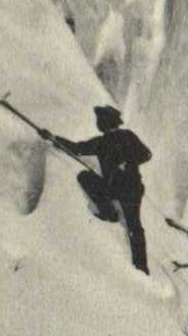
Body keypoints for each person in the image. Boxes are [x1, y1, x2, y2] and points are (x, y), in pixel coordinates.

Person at [40, 105, 152, 274]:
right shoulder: (101, 142)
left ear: (107, 122)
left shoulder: (127, 136)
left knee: (133, 224)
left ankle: (142, 267)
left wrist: (128, 163)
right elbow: (77, 148)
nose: (98, 123)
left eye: (100, 120)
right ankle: (110, 213)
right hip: (118, 187)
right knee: (85, 177)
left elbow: (146, 154)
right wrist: (53, 138)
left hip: (130, 188)